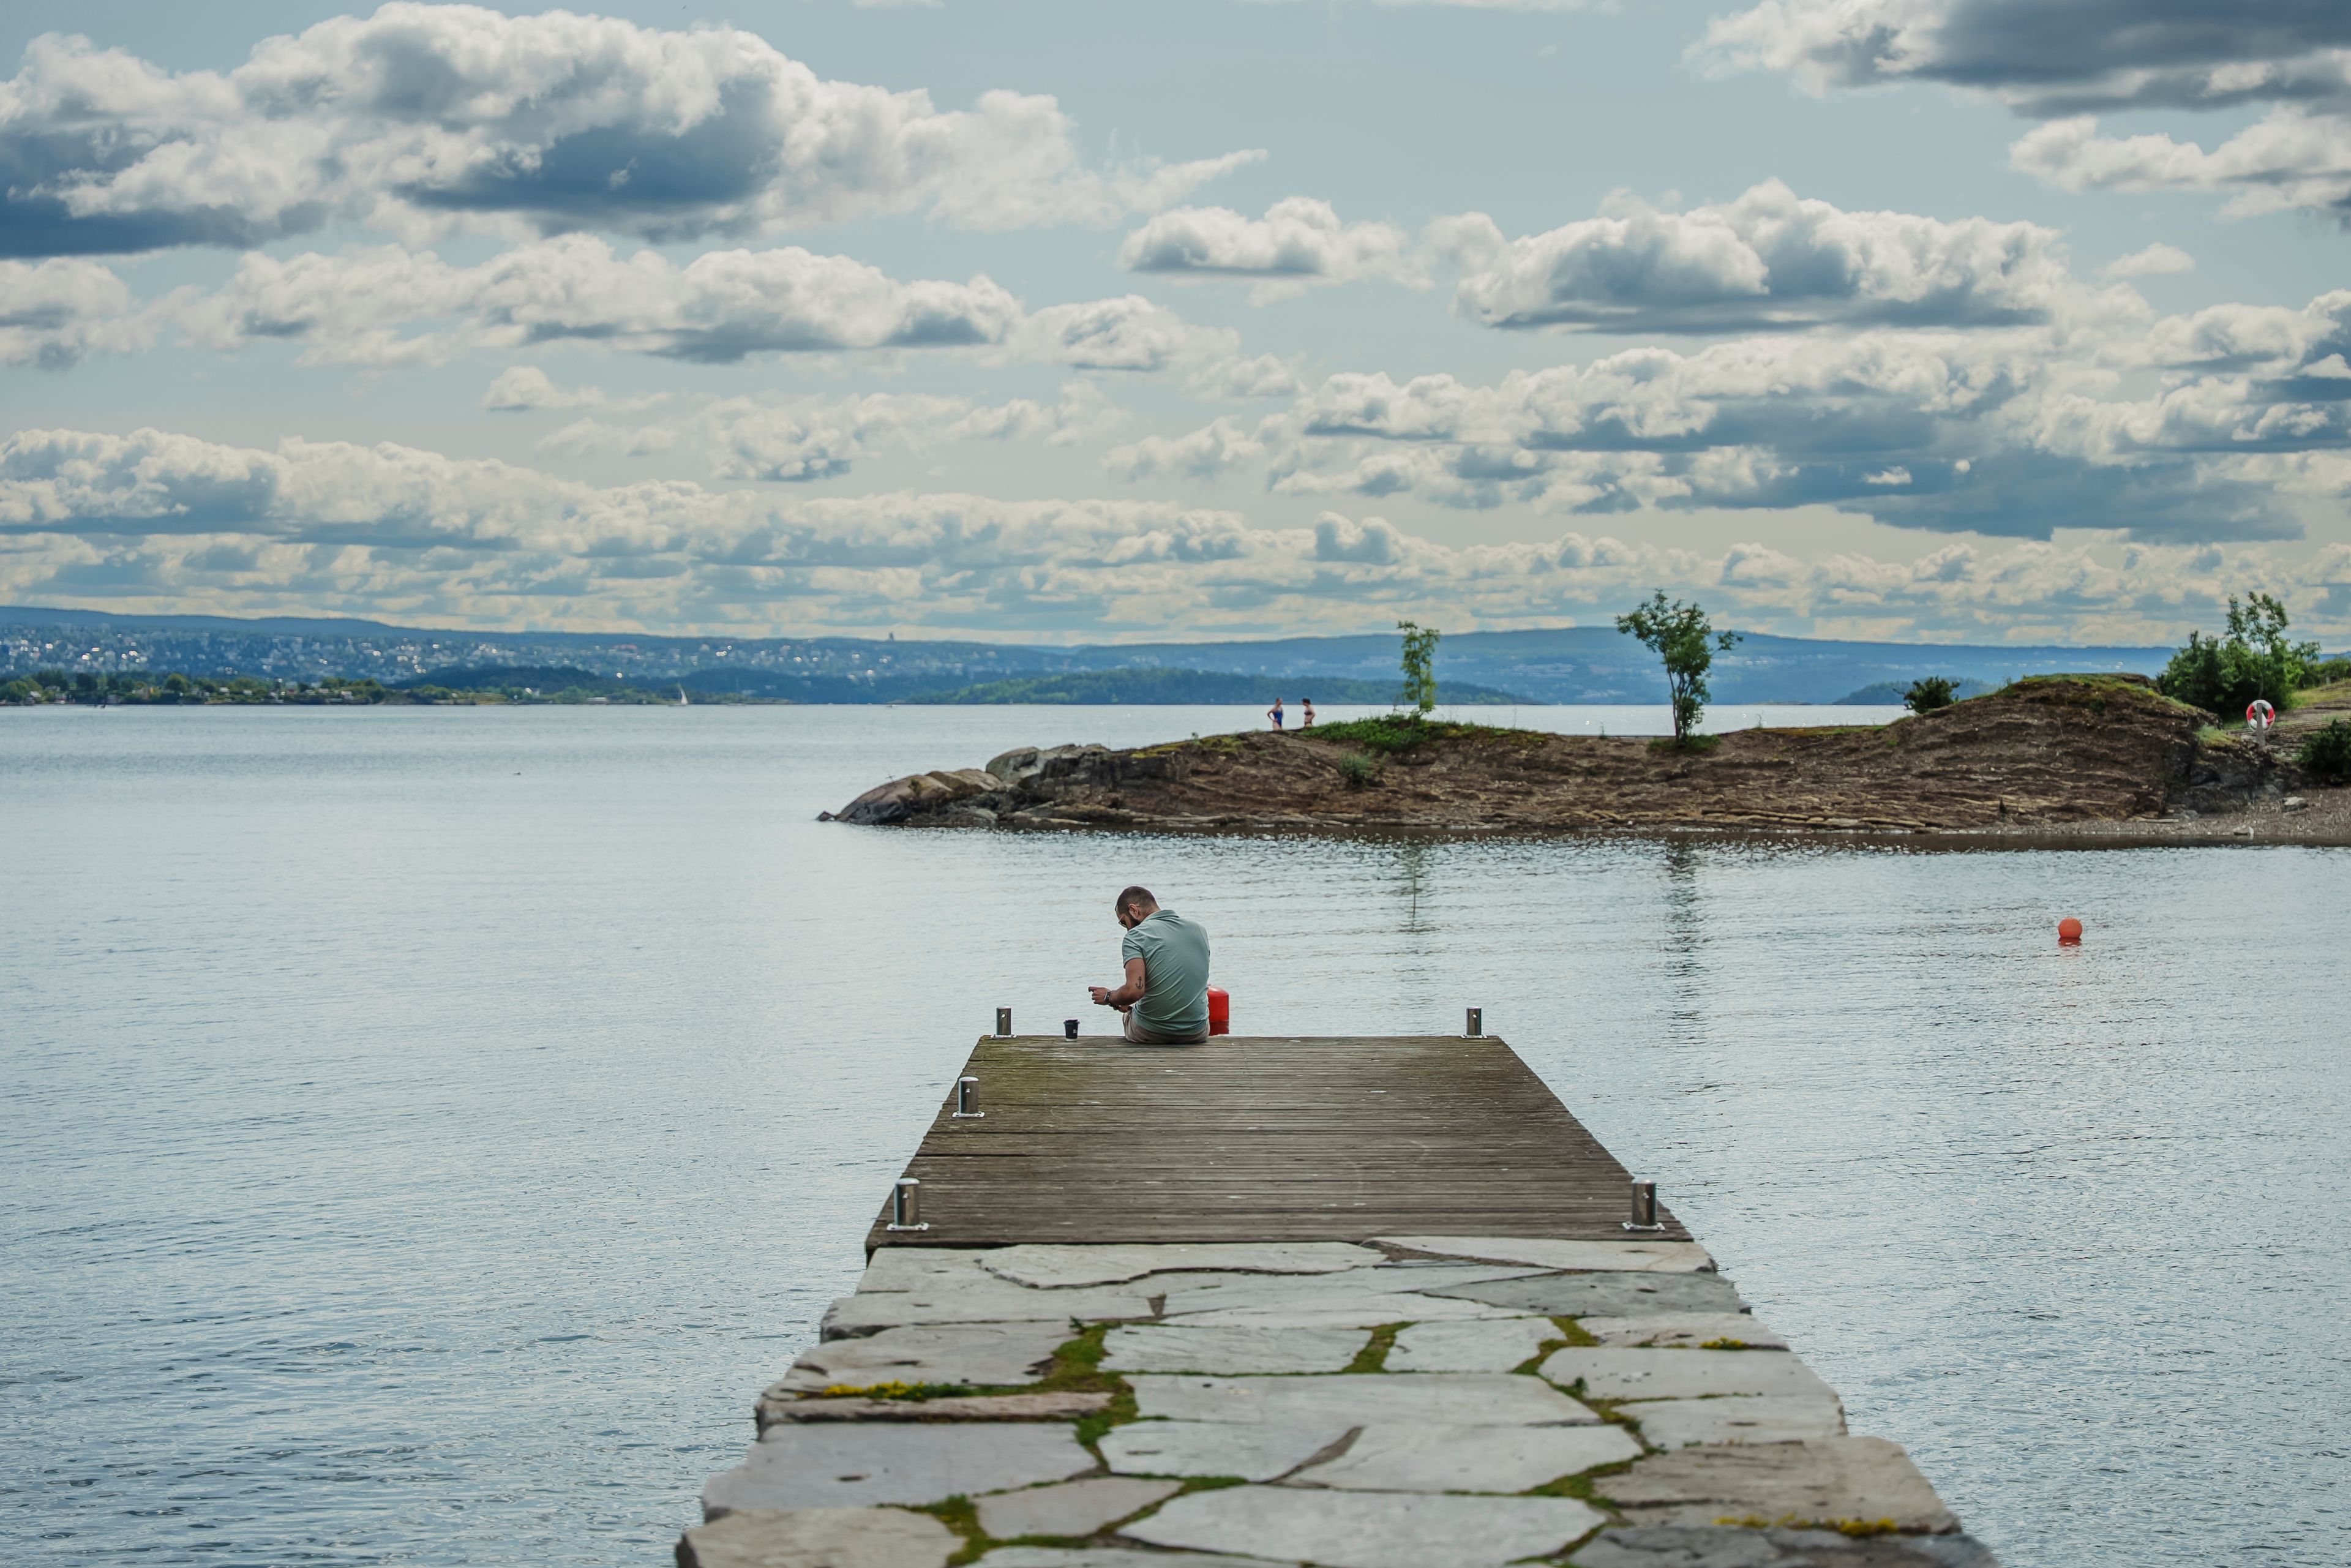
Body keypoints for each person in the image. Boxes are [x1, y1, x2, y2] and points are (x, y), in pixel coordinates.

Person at [1089, 885, 1211, 1044]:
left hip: (1152, 1033)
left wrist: (1109, 997)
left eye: (1124, 923)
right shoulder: (1199, 930)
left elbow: (1134, 991)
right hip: (1198, 1032)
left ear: (1134, 910)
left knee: (1129, 1016)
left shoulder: (1136, 936)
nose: (1127, 929)